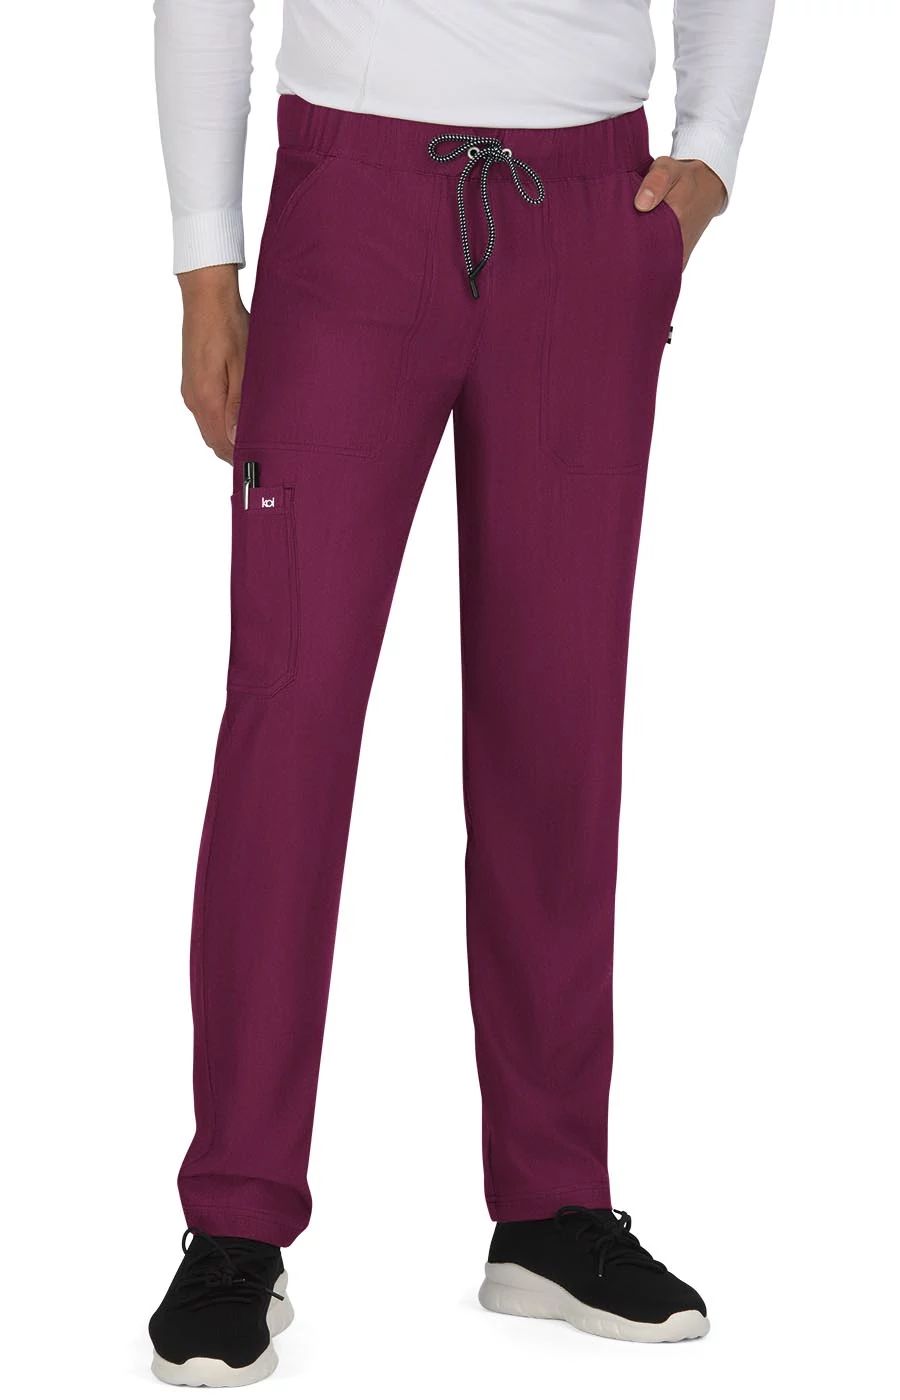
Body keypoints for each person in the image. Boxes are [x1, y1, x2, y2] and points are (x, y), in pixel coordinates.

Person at [149, 0, 774, 1384]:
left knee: (561, 722)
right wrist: (206, 263)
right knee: (290, 717)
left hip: (594, 212)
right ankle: (236, 1217)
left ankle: (551, 1209)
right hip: (353, 206)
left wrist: (712, 152)